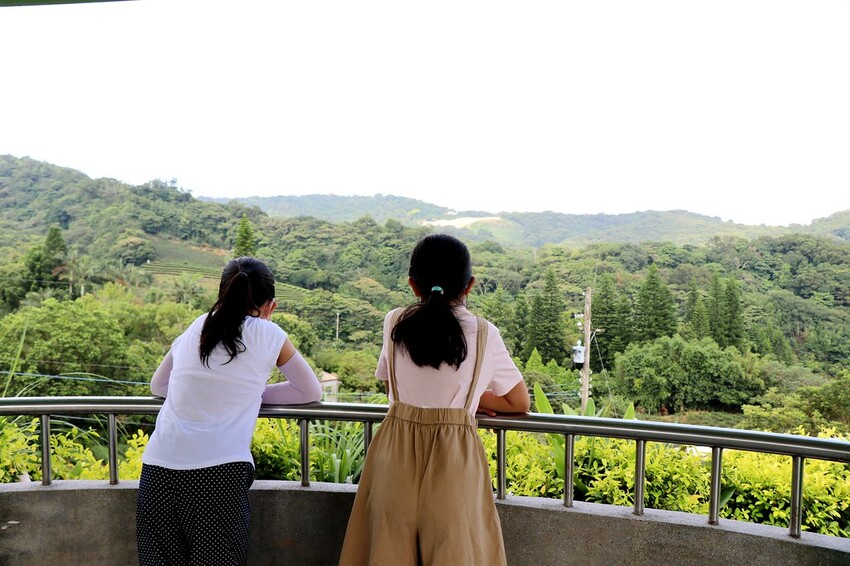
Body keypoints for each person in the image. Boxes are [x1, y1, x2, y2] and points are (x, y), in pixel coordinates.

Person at [339, 234, 531, 566]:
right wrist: (471, 400)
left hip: (393, 453)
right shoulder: (485, 333)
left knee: (387, 551)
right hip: (454, 459)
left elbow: (389, 382)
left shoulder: (395, 321)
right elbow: (518, 403)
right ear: (469, 285)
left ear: (413, 284)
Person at [136, 256, 323, 566]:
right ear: (270, 305)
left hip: (159, 469)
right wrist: (250, 394)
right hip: (219, 475)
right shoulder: (269, 334)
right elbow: (309, 391)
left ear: (222, 293)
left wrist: (207, 392)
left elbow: (159, 386)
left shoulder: (198, 324)